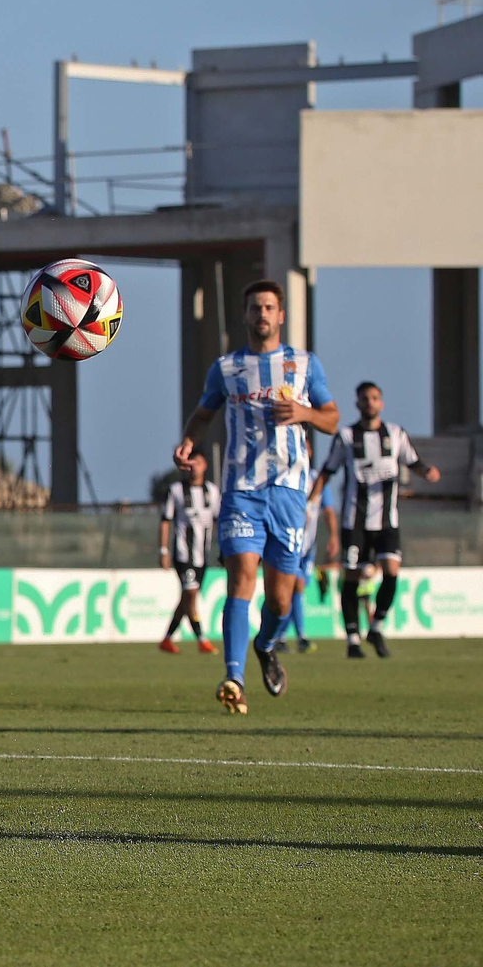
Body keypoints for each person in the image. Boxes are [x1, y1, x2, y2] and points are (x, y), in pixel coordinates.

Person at [172, 280, 338, 715]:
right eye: (254, 308)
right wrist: (189, 441)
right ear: (244, 316)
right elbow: (204, 414)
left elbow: (333, 419)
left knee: (281, 600)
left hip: (289, 492)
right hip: (241, 490)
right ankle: (233, 676)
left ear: (280, 315)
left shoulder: (303, 365)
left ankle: (265, 646)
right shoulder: (227, 368)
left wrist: (304, 413)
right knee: (242, 576)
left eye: (268, 307)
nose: (261, 314)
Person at [311, 381, 439, 658]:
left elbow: (413, 461)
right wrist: (311, 500)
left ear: (381, 403)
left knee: (392, 572)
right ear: (357, 404)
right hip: (354, 523)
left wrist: (427, 472)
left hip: (386, 521)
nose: (370, 403)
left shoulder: (395, 434)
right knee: (352, 578)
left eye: (374, 398)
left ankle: (377, 627)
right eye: (365, 399)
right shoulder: (346, 437)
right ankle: (353, 640)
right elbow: (327, 471)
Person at [275, 442, 336, 654]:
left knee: (295, 590)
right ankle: (297, 636)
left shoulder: (316, 478)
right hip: (288, 543)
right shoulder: (284, 477)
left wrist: (334, 536)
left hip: (308, 548)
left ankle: (282, 637)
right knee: (294, 588)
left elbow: (328, 510)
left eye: (308, 446)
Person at [157, 452, 217, 655]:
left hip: (203, 556)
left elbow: (218, 520)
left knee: (186, 599)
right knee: (191, 596)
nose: (194, 467)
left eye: (197, 462)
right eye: (190, 463)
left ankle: (166, 639)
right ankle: (202, 639)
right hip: (184, 555)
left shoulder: (212, 491)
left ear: (205, 465)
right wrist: (163, 550)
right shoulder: (176, 490)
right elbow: (165, 520)